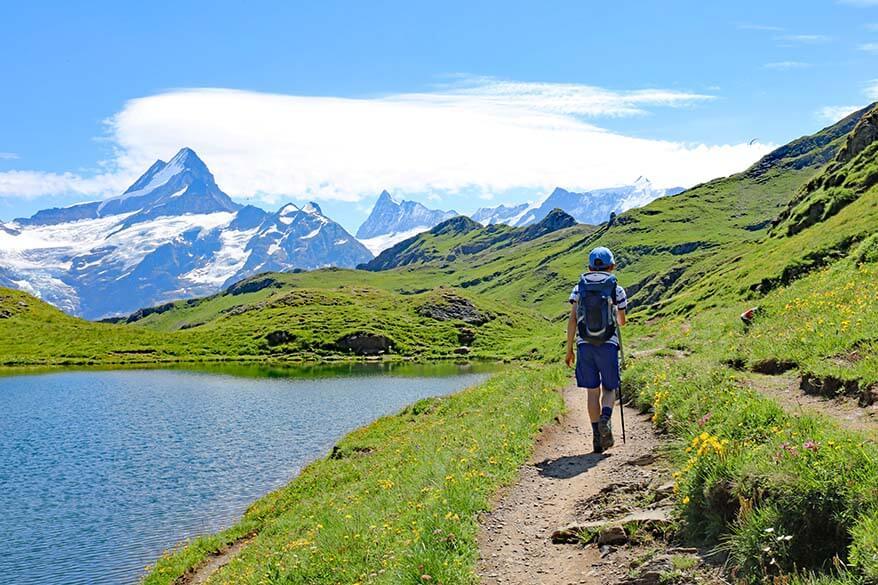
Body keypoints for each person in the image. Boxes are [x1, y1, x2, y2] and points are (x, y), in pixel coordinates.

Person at [565, 246, 627, 453]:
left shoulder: (579, 288)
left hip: (584, 345)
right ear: (612, 266)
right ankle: (606, 419)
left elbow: (573, 319)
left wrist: (569, 349)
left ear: (590, 267)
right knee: (609, 388)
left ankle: (596, 439)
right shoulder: (616, 288)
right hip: (608, 344)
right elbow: (622, 321)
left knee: (593, 392)